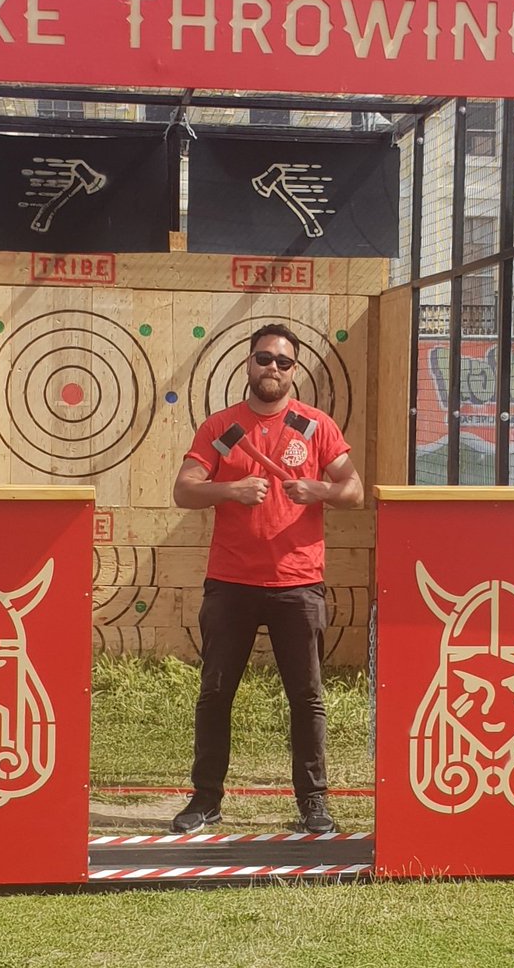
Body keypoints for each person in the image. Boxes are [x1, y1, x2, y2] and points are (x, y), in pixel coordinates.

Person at [170, 323, 363, 835]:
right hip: (230, 582)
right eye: (263, 359)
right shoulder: (220, 427)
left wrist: (320, 489)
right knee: (215, 692)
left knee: (307, 696)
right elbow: (185, 490)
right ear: (247, 364)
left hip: (297, 582)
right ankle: (205, 801)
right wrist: (230, 490)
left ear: (293, 370)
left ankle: (313, 804)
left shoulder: (314, 425)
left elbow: (355, 490)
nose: (272, 368)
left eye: (282, 361)